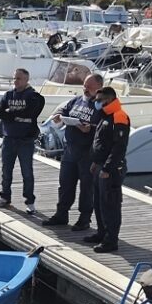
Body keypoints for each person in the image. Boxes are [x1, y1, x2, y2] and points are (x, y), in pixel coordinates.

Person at [42, 74, 104, 230]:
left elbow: (104, 127)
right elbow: (64, 109)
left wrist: (89, 128)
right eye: (84, 85)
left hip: (87, 152)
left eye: (89, 86)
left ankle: (84, 219)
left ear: (99, 88)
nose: (85, 88)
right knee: (65, 184)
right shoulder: (76, 100)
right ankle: (61, 214)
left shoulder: (101, 105)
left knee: (86, 187)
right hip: (70, 149)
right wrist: (58, 116)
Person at [0, 68, 46, 214]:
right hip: (8, 138)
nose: (15, 81)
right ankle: (5, 197)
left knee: (27, 172)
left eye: (19, 78)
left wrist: (11, 113)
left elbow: (30, 112)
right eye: (14, 78)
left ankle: (30, 201)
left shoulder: (33, 96)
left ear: (27, 80)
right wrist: (15, 115)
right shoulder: (8, 94)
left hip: (25, 140)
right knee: (6, 170)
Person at [84, 86, 130, 253]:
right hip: (100, 165)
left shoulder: (119, 117)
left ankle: (111, 240)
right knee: (99, 203)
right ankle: (101, 233)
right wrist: (96, 162)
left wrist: (108, 168)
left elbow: (119, 147)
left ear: (109, 100)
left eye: (99, 100)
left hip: (111, 169)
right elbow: (101, 143)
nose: (96, 103)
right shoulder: (105, 116)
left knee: (110, 204)